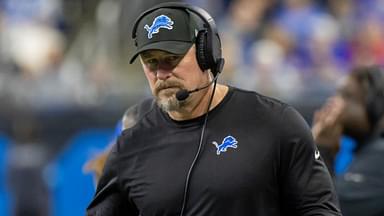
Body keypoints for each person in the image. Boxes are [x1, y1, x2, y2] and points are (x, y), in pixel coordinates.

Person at [86, 2, 341, 215]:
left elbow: (319, 209)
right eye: (150, 62)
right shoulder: (131, 144)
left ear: (205, 54)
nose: (161, 73)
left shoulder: (275, 123)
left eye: (171, 59)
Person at [312, 65, 384, 216]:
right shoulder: (367, 150)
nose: (332, 102)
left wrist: (321, 150)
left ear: (376, 107)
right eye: (336, 93)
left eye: (347, 96)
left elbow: (327, 210)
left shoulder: (380, 155)